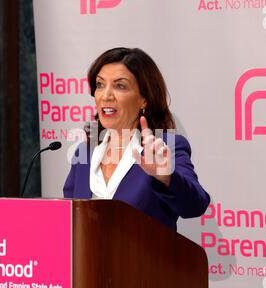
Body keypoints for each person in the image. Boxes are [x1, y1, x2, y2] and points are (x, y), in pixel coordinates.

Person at [63, 47, 210, 230]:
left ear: (144, 99)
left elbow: (195, 205)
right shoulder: (85, 151)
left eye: (120, 86)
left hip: (146, 258)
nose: (106, 95)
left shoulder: (165, 147)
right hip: (89, 259)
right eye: (100, 85)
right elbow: (67, 218)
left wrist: (166, 177)